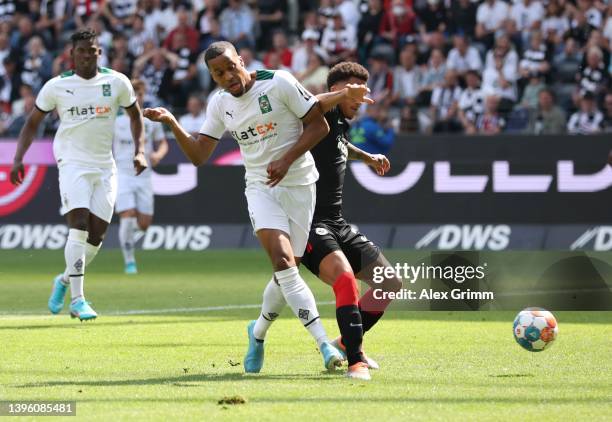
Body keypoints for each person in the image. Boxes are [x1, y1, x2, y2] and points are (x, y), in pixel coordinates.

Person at [143, 41, 370, 372]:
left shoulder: (278, 82)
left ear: (242, 61)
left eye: (230, 67)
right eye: (218, 73)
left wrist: (287, 158)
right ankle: (324, 344)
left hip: (301, 185)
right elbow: (198, 155)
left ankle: (258, 331)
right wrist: (172, 123)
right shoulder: (220, 104)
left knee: (287, 269)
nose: (227, 76)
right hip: (261, 187)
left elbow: (319, 126)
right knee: (282, 262)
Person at [250, 62, 402, 381]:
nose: (361, 99)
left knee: (389, 283)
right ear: (337, 90)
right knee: (345, 280)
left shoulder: (339, 123)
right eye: (355, 92)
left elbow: (340, 146)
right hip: (307, 222)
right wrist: (341, 95)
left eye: (364, 91)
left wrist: (367, 157)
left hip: (336, 221)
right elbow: (317, 101)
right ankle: (356, 360)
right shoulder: (320, 111)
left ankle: (344, 342)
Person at [9, 28, 147, 321]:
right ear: (72, 54)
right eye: (81, 50)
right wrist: (18, 158)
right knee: (79, 225)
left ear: (99, 52)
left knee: (96, 238)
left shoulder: (117, 82)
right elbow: (32, 123)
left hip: (104, 166)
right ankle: (78, 299)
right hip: (72, 162)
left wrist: (140, 150)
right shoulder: (56, 86)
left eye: (92, 50)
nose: (87, 55)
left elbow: (135, 116)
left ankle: (63, 280)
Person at [113, 79, 168, 274]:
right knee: (127, 216)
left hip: (144, 175)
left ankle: (126, 237)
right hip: (123, 174)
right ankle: (129, 261)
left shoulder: (150, 121)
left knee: (144, 224)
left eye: (140, 94)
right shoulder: (116, 120)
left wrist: (158, 154)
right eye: (134, 95)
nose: (137, 98)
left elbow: (162, 143)